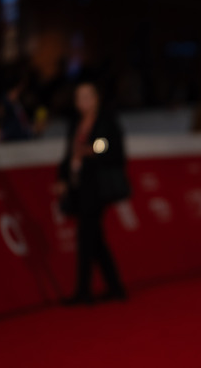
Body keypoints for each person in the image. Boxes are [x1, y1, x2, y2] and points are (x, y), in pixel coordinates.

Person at [56, 81, 129, 305]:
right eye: (79, 97)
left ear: (96, 98)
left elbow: (112, 149)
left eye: (87, 96)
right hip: (79, 185)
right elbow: (68, 153)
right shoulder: (75, 123)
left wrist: (93, 151)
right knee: (95, 239)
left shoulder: (107, 122)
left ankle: (83, 292)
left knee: (86, 236)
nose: (82, 101)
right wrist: (62, 177)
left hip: (98, 187)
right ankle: (116, 287)